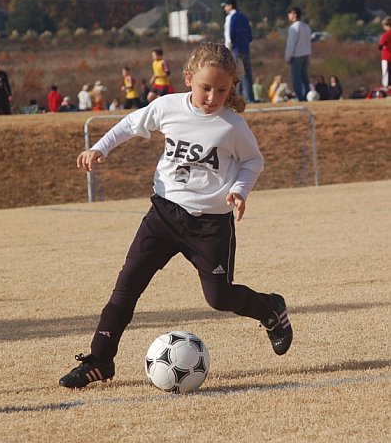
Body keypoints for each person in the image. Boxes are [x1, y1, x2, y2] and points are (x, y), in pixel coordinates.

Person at [58, 42, 293, 389]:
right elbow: (129, 124)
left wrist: (239, 191)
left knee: (219, 298)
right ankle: (100, 359)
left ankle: (271, 309)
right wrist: (98, 147)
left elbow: (252, 161)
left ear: (231, 88)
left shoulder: (232, 125)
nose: (213, 96)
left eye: (222, 89)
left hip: (210, 224)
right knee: (127, 286)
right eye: (206, 88)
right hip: (164, 214)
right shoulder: (167, 107)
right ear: (188, 79)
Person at [222, 0, 255, 103]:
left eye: (225, 6)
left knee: (236, 75)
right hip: (245, 49)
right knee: (247, 74)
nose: (224, 9)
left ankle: (237, 99)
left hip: (235, 50)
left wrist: (227, 51)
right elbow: (250, 36)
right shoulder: (244, 17)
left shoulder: (230, 17)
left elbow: (229, 36)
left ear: (230, 6)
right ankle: (250, 98)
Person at [285, 6, 312, 101]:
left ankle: (300, 98)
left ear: (294, 14)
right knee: (305, 78)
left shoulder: (293, 27)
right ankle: (308, 96)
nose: (288, 15)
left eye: (289, 13)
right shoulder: (306, 26)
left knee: (296, 79)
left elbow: (291, 44)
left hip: (296, 56)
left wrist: (288, 57)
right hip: (306, 54)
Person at [379, 16, 391, 88]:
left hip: (386, 56)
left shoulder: (386, 34)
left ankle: (385, 86)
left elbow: (380, 45)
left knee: (385, 72)